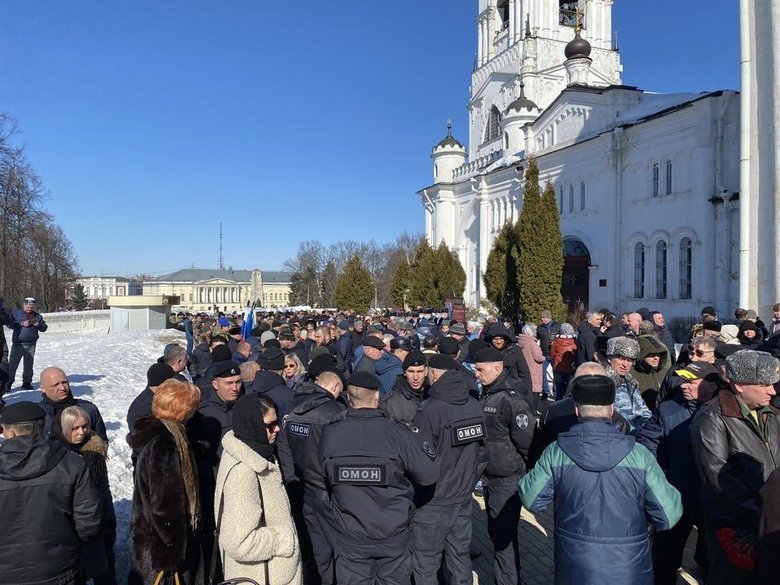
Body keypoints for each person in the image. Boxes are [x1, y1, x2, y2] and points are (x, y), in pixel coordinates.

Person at [519, 375, 683, 585]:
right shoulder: (639, 455)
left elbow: (531, 499)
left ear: (577, 411)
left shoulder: (556, 452)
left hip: (575, 566)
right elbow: (669, 514)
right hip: (629, 568)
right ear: (612, 410)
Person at [320, 371, 439, 585]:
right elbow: (428, 475)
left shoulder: (330, 434)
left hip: (351, 535)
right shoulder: (398, 433)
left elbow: (322, 479)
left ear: (349, 399)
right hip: (392, 533)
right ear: (377, 398)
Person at [691, 350, 780, 585]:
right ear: (740, 385)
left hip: (769, 526)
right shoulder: (711, 420)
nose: (772, 390)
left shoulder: (772, 414)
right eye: (764, 385)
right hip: (733, 531)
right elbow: (719, 481)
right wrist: (764, 515)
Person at [0, 402, 104, 585]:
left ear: (10, 432)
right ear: (42, 427)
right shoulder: (73, 465)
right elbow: (89, 522)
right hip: (60, 568)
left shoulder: (71, 465)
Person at [637, 361, 718, 585]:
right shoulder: (668, 408)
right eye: (682, 380)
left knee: (712, 555)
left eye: (691, 381)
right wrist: (659, 474)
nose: (683, 385)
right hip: (677, 493)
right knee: (665, 555)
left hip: (711, 497)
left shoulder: (723, 410)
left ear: (711, 385)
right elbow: (647, 440)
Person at [411, 355, 486, 585]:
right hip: (462, 497)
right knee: (460, 557)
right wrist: (468, 482)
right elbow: (483, 453)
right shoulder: (474, 405)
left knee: (426, 562)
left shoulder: (430, 410)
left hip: (433, 500)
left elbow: (418, 461)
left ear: (433, 374)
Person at [215, 394, 302, 585]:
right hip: (262, 577)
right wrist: (284, 539)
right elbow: (238, 542)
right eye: (270, 425)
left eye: (277, 422)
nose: (277, 429)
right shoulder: (244, 471)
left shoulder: (256, 453)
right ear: (253, 425)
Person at [127, 380, 203, 585]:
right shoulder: (166, 444)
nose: (195, 411)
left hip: (149, 540)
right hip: (160, 551)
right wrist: (171, 555)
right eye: (192, 406)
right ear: (181, 409)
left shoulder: (167, 435)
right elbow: (165, 505)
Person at [473, 347, 536, 585]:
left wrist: (528, 472)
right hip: (491, 478)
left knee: (504, 540)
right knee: (499, 535)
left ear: (497, 368)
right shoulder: (488, 394)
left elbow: (527, 441)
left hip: (507, 480)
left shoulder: (510, 400)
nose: (477, 374)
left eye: (481, 370)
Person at [284, 370, 347, 585]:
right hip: (328, 493)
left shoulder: (292, 408)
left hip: (303, 488)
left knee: (318, 550)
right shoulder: (334, 412)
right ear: (335, 388)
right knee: (342, 549)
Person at [58, 405, 117, 585]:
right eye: (74, 428)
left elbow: (102, 486)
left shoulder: (95, 448)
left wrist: (108, 516)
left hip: (94, 517)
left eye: (84, 426)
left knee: (104, 567)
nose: (81, 432)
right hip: (68, 521)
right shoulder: (56, 452)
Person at [39, 366, 108, 441]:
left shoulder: (88, 410)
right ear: (43, 389)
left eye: (64, 382)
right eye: (56, 385)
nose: (62, 388)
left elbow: (102, 444)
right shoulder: (36, 415)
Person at [604, 337, 652, 431]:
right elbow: (614, 416)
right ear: (609, 358)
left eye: (629, 360)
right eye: (621, 358)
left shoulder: (631, 383)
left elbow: (643, 409)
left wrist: (649, 427)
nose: (625, 364)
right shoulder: (603, 383)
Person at [8, 297, 48, 390]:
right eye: (27, 307)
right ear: (23, 305)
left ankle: (27, 382)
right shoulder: (16, 313)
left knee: (28, 365)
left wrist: (38, 324)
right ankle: (8, 383)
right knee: (13, 365)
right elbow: (9, 324)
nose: (29, 309)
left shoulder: (37, 316)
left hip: (31, 344)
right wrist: (21, 323)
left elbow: (44, 328)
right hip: (18, 344)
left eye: (31, 307)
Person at [380, 350, 429, 423]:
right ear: (404, 372)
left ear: (426, 371)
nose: (415, 377)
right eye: (411, 372)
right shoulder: (391, 403)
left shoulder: (432, 395)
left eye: (419, 371)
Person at [550, 323, 577, 400]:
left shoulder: (556, 342)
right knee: (569, 391)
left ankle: (557, 408)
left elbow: (552, 354)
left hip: (558, 368)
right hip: (570, 369)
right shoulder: (575, 342)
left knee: (559, 391)